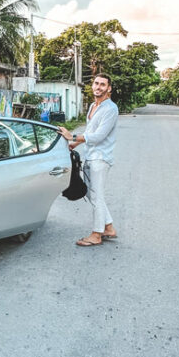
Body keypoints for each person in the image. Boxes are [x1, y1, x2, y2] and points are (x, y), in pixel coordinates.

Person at [59, 73, 118, 247]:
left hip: (101, 158)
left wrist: (73, 135)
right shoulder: (93, 105)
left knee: (96, 196)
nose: (98, 87)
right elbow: (91, 131)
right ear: (92, 85)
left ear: (109, 89)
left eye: (103, 85)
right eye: (96, 83)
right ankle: (108, 228)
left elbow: (99, 136)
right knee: (93, 195)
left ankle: (97, 234)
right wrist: (74, 144)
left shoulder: (110, 109)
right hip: (90, 156)